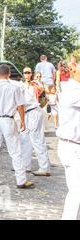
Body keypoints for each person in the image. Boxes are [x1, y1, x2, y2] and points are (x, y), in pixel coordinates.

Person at [0, 64, 35, 189]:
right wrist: (23, 121)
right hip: (8, 120)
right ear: (9, 74)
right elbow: (21, 106)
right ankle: (20, 180)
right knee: (15, 152)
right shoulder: (15, 88)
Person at [57, 64, 80, 219]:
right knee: (77, 192)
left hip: (70, 145)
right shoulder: (75, 92)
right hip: (73, 147)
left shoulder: (70, 89)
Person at [19, 67, 51, 176]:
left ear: (31, 74)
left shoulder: (34, 84)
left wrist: (37, 84)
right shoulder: (21, 84)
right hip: (27, 113)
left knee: (37, 139)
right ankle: (26, 165)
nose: (27, 74)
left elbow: (43, 89)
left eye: (28, 72)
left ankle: (44, 167)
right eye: (25, 73)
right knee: (25, 139)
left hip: (33, 111)